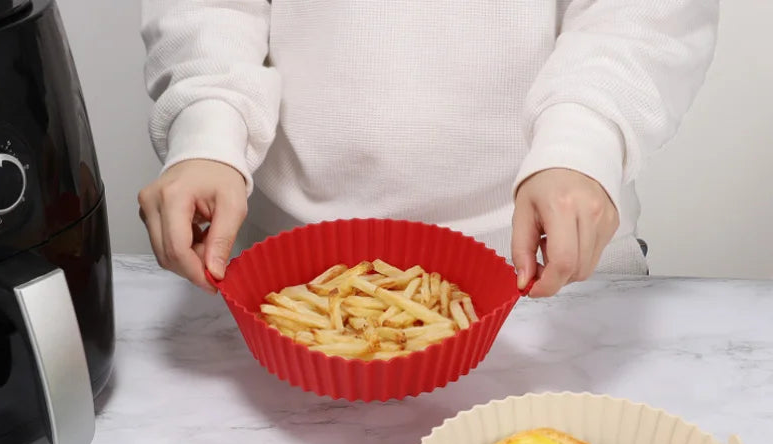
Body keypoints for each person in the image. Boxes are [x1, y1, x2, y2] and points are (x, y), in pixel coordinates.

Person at [138, 2, 718, 298]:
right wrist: (208, 131)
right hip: (292, 277)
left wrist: (582, 141)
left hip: (550, 268)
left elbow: (645, 12)